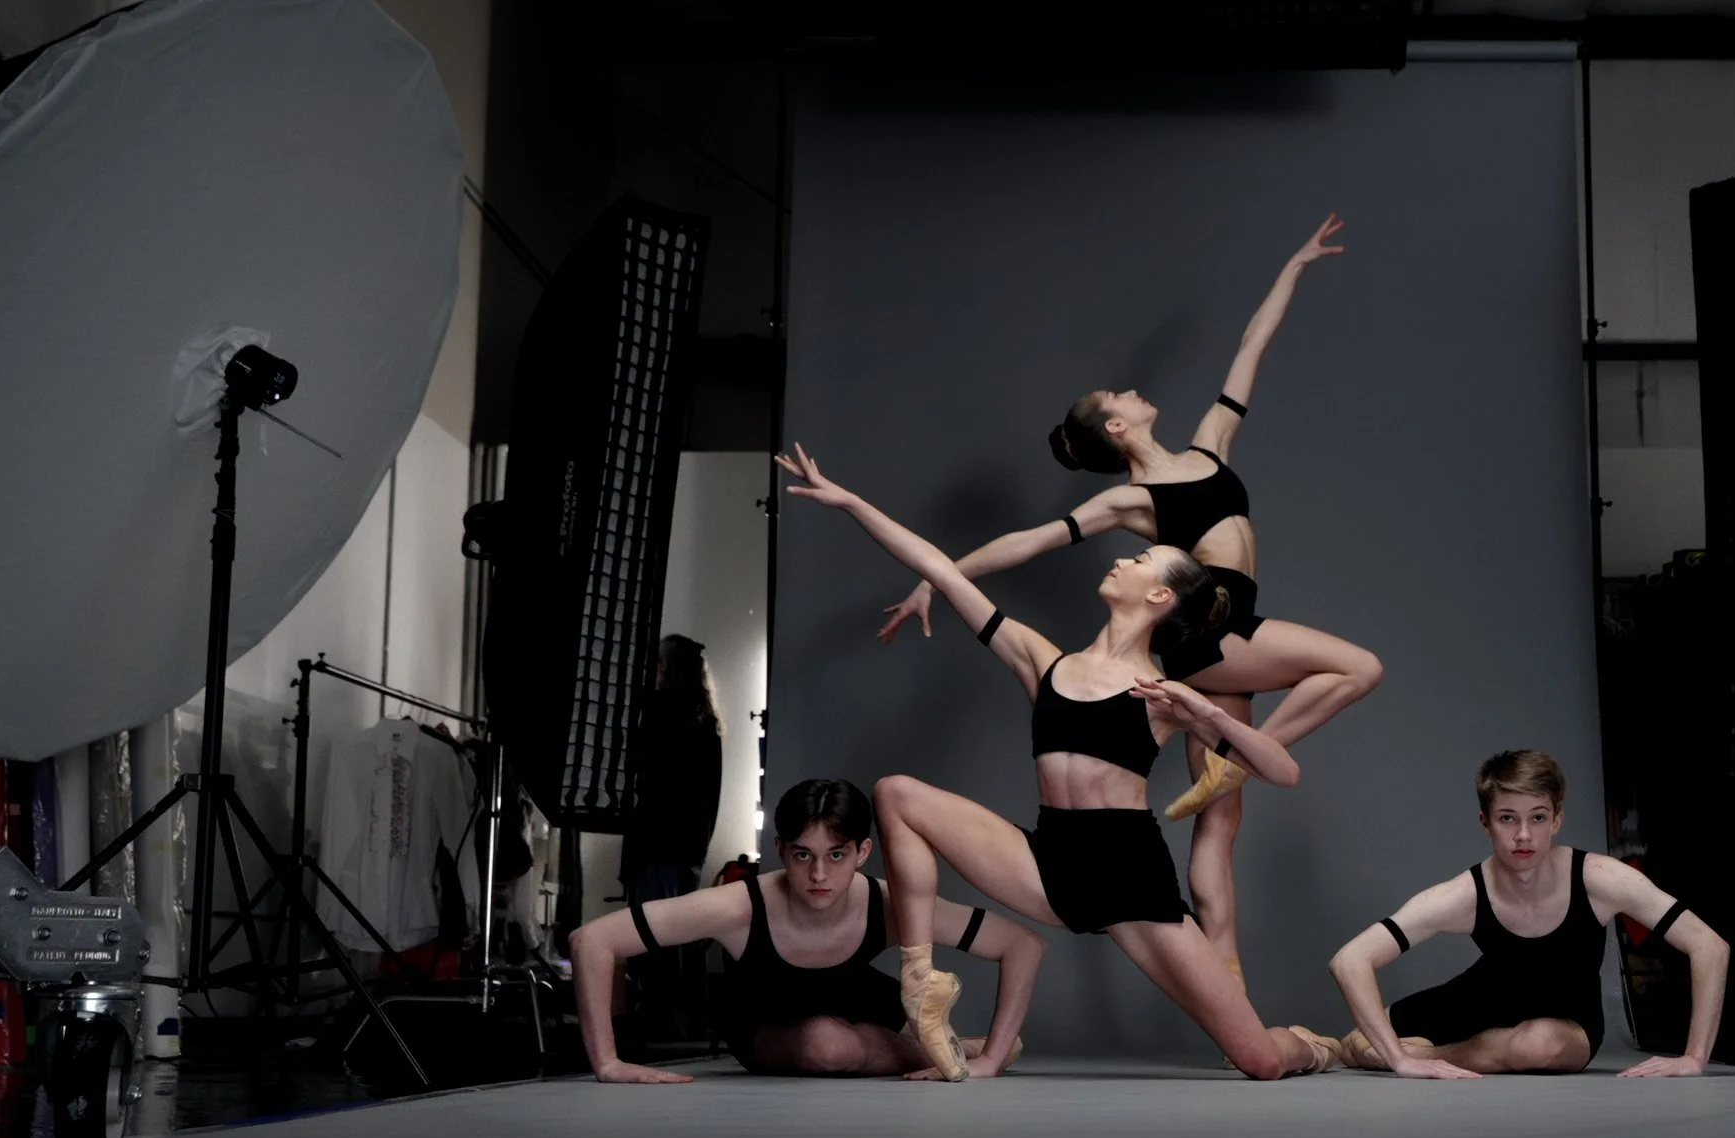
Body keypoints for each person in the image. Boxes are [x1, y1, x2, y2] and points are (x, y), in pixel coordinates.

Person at [875, 215, 1383, 991]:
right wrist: (935, 577)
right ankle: (1235, 768)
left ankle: (1228, 988)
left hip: (1228, 637)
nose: (1135, 391)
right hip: (1206, 633)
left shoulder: (1210, 444)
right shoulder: (1131, 500)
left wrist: (1295, 266)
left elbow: (1250, 350)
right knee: (1356, 668)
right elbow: (1030, 540)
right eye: (1120, 395)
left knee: (1217, 836)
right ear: (1118, 425)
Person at [780, 441, 1339, 1082]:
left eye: (1139, 558)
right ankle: (919, 981)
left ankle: (1317, 1047)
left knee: (1261, 1061)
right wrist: (850, 501)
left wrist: (1207, 714)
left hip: (1133, 884)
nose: (1124, 558)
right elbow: (941, 568)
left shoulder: (1163, 694)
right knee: (897, 793)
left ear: (1159, 595)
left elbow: (1283, 770)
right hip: (1050, 865)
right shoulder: (1044, 661)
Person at [571, 778, 1046, 1083]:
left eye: (835, 855)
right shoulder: (739, 907)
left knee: (837, 1035)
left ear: (862, 853)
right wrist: (607, 1063)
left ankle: (970, 1053)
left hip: (865, 1003)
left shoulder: (890, 903)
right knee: (825, 1042)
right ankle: (954, 1050)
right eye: (803, 855)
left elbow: (1022, 944)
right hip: (766, 1021)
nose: (819, 875)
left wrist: (994, 1056)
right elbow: (591, 940)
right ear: (780, 850)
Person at [1327, 750, 1729, 1078]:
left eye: (1537, 817)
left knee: (1539, 1046)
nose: (1523, 835)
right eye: (1508, 818)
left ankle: (1428, 1056)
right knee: (1356, 1045)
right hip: (1479, 1001)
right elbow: (1350, 960)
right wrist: (1398, 1058)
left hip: (1567, 1025)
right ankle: (1357, 1051)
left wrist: (1694, 1058)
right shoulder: (1464, 894)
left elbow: (1709, 945)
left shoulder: (1600, 879)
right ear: (1485, 823)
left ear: (1556, 820)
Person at [618, 634, 722, 904]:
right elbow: (711, 791)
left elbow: (640, 773)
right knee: (676, 930)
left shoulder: (655, 710)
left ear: (664, 667)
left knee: (649, 931)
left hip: (656, 842)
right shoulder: (706, 719)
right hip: (691, 845)